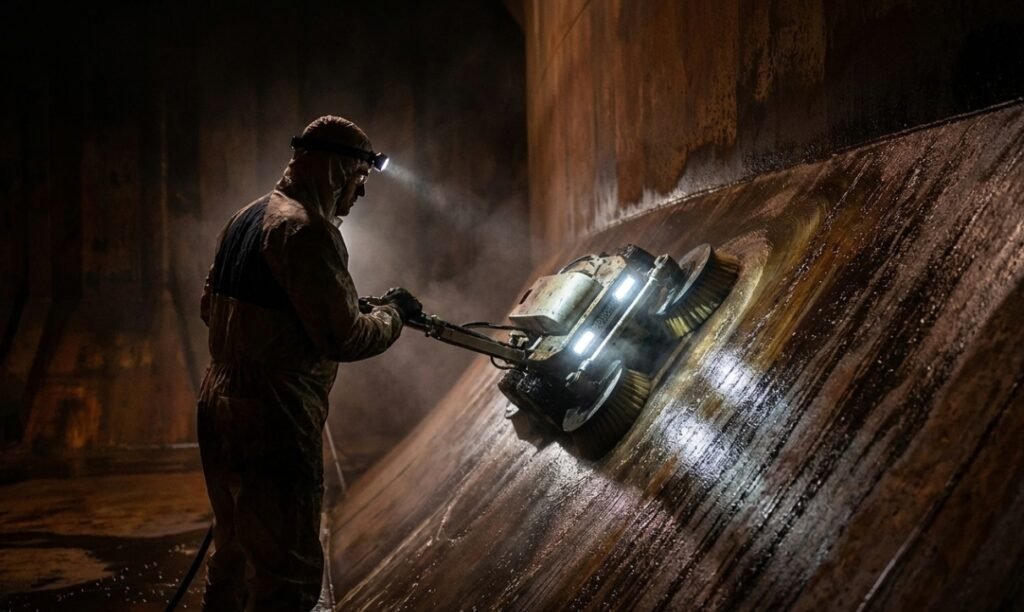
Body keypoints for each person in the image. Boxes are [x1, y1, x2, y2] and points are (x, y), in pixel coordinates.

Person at [196, 115, 421, 611]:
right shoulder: (307, 232)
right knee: (286, 569)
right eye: (358, 180)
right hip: (274, 414)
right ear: (337, 171)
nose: (359, 195)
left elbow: (209, 308)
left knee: (233, 554)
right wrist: (393, 314)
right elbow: (344, 337)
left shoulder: (246, 218)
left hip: (218, 402)